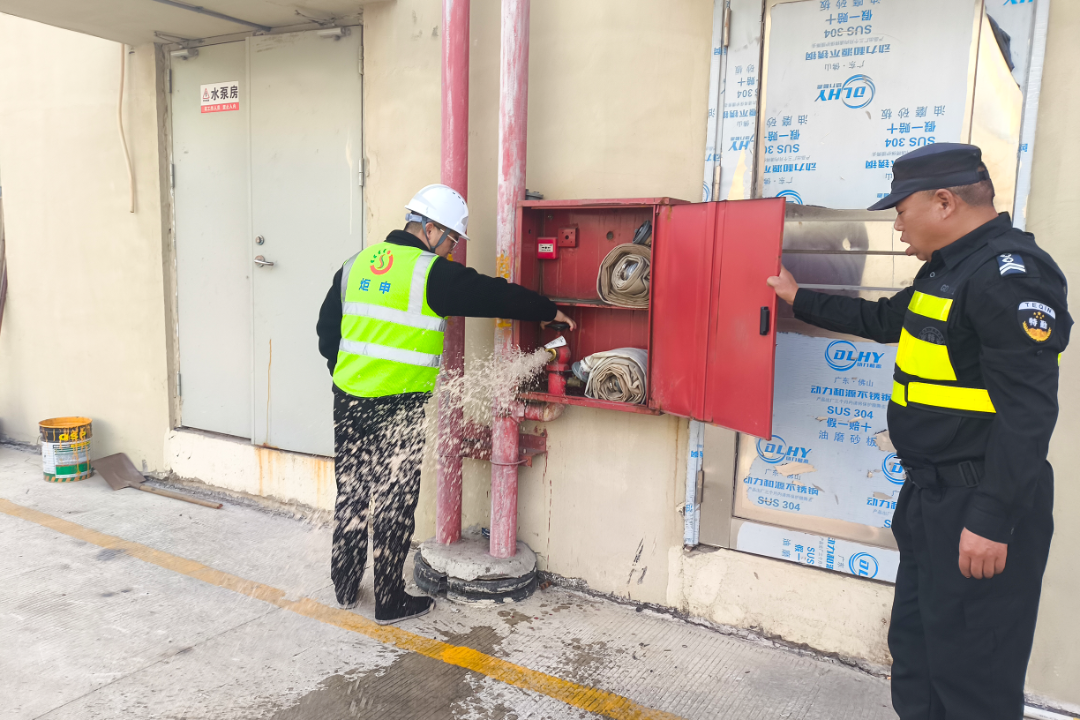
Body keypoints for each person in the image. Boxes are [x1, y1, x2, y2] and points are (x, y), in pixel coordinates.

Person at [767, 143, 1070, 719]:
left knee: (973, 675)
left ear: (944, 202)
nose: (898, 226)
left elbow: (1027, 415)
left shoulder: (1010, 278)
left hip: (980, 503)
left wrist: (992, 518)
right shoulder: (951, 270)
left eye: (901, 211)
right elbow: (886, 319)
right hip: (932, 498)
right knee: (918, 655)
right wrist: (797, 297)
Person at [316, 184, 575, 625]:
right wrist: (548, 311)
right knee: (395, 500)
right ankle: (390, 601)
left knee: (353, 492)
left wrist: (347, 379)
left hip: (349, 401)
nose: (453, 249)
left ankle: (344, 585)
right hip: (398, 408)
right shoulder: (429, 273)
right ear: (431, 229)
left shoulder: (354, 265)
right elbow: (493, 294)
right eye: (452, 239)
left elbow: (327, 334)